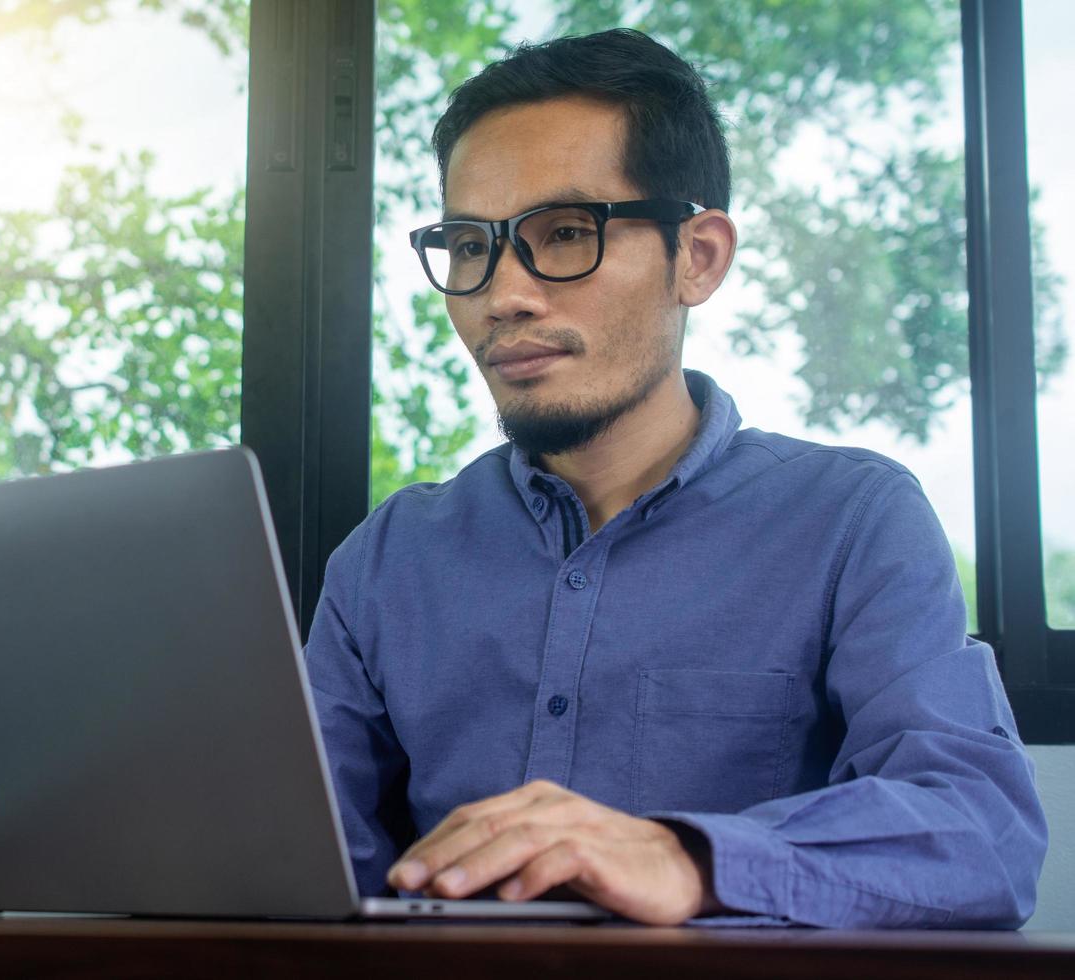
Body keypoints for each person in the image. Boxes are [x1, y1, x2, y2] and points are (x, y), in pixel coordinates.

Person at [302, 28, 1047, 928]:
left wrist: (681, 856)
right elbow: (301, 855)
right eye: (470, 245)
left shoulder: (852, 519)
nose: (503, 294)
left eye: (566, 232)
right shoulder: (388, 558)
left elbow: (982, 833)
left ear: (697, 257)